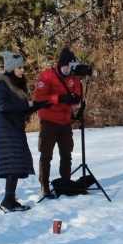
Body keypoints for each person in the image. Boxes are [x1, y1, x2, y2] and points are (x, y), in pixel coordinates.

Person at [0, 51, 50, 212]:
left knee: (18, 164)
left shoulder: (19, 85)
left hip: (16, 128)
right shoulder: (2, 85)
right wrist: (28, 105)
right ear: (11, 68)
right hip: (6, 130)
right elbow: (4, 107)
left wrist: (39, 105)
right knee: (13, 164)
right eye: (19, 67)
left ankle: (10, 199)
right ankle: (7, 200)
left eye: (22, 67)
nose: (22, 70)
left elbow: (22, 110)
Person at [33, 47, 83, 198]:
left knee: (66, 153)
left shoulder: (75, 78)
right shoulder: (47, 76)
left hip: (65, 121)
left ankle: (65, 181)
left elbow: (79, 97)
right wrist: (60, 99)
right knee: (46, 154)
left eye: (72, 66)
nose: (70, 69)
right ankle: (44, 185)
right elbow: (39, 99)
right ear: (61, 64)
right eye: (68, 66)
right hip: (49, 121)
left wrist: (76, 100)